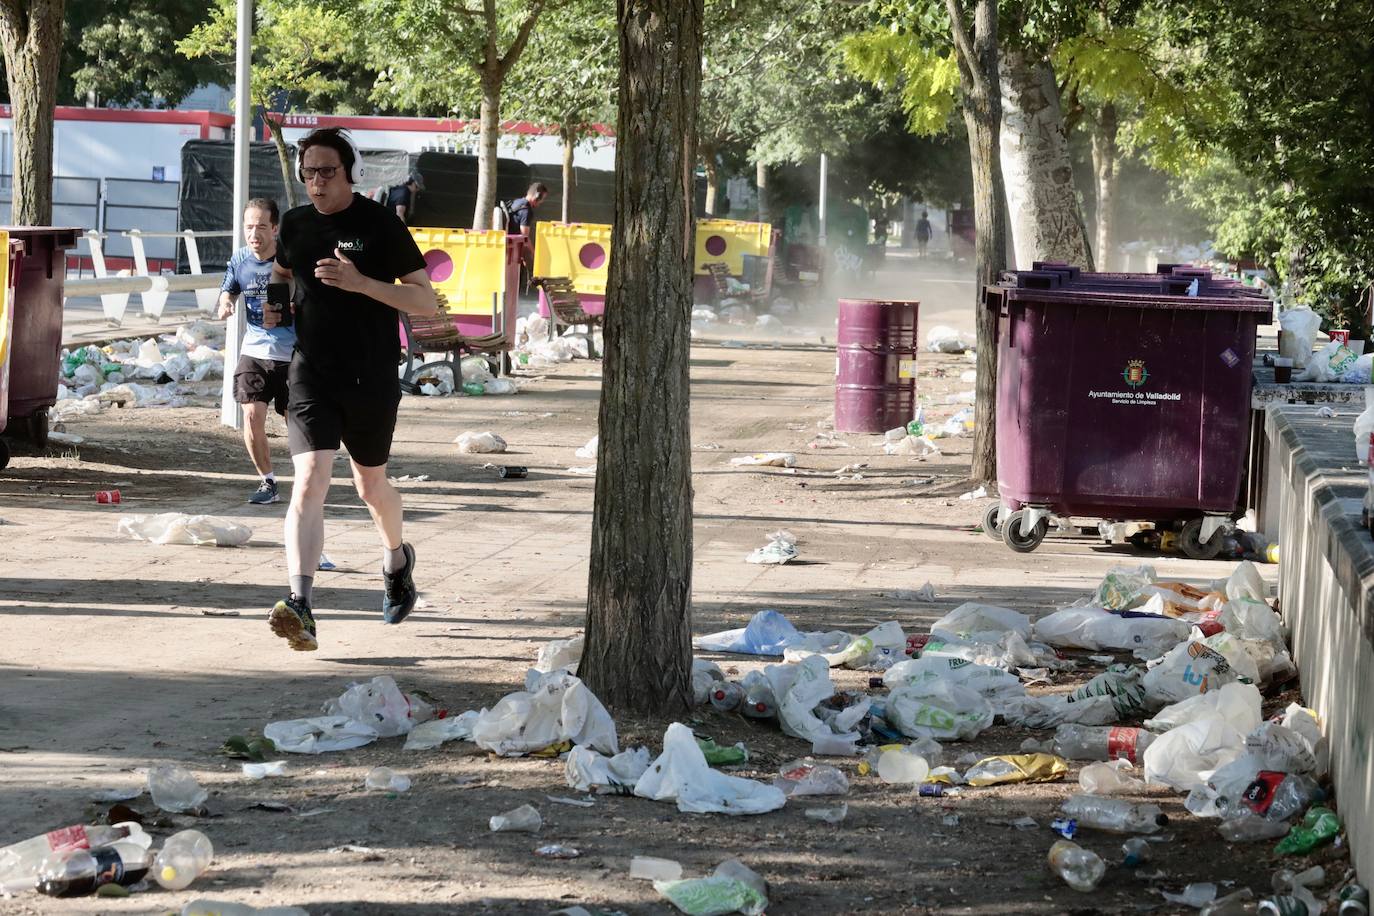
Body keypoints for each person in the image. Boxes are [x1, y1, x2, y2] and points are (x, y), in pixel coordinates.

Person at [263, 127, 437, 652]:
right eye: (308, 172)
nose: (316, 182)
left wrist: (362, 283)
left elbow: (426, 301)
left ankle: (396, 559)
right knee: (310, 479)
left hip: (371, 374)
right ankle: (300, 604)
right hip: (311, 372)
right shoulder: (294, 223)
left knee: (369, 488)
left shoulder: (379, 223)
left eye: (327, 172)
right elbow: (281, 268)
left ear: (350, 172)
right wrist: (273, 303)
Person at [218, 198, 292, 505]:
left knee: (297, 423)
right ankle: (268, 482)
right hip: (254, 350)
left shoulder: (290, 260)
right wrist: (225, 302)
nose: (254, 233)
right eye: (249, 227)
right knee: (251, 416)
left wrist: (289, 310)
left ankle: (308, 479)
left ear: (274, 228)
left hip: (291, 353)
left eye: (261, 226)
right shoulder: (240, 259)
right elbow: (229, 286)